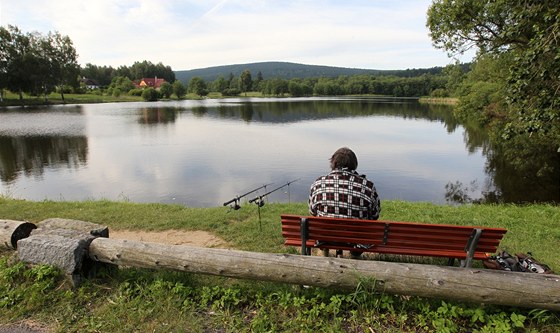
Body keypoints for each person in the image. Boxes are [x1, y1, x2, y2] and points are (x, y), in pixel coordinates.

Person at [309, 147, 381, 258]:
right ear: (354, 164)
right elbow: (375, 215)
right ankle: (355, 255)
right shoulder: (368, 186)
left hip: (325, 237)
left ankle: (325, 253)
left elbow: (312, 211)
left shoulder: (318, 183)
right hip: (357, 239)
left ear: (334, 163)